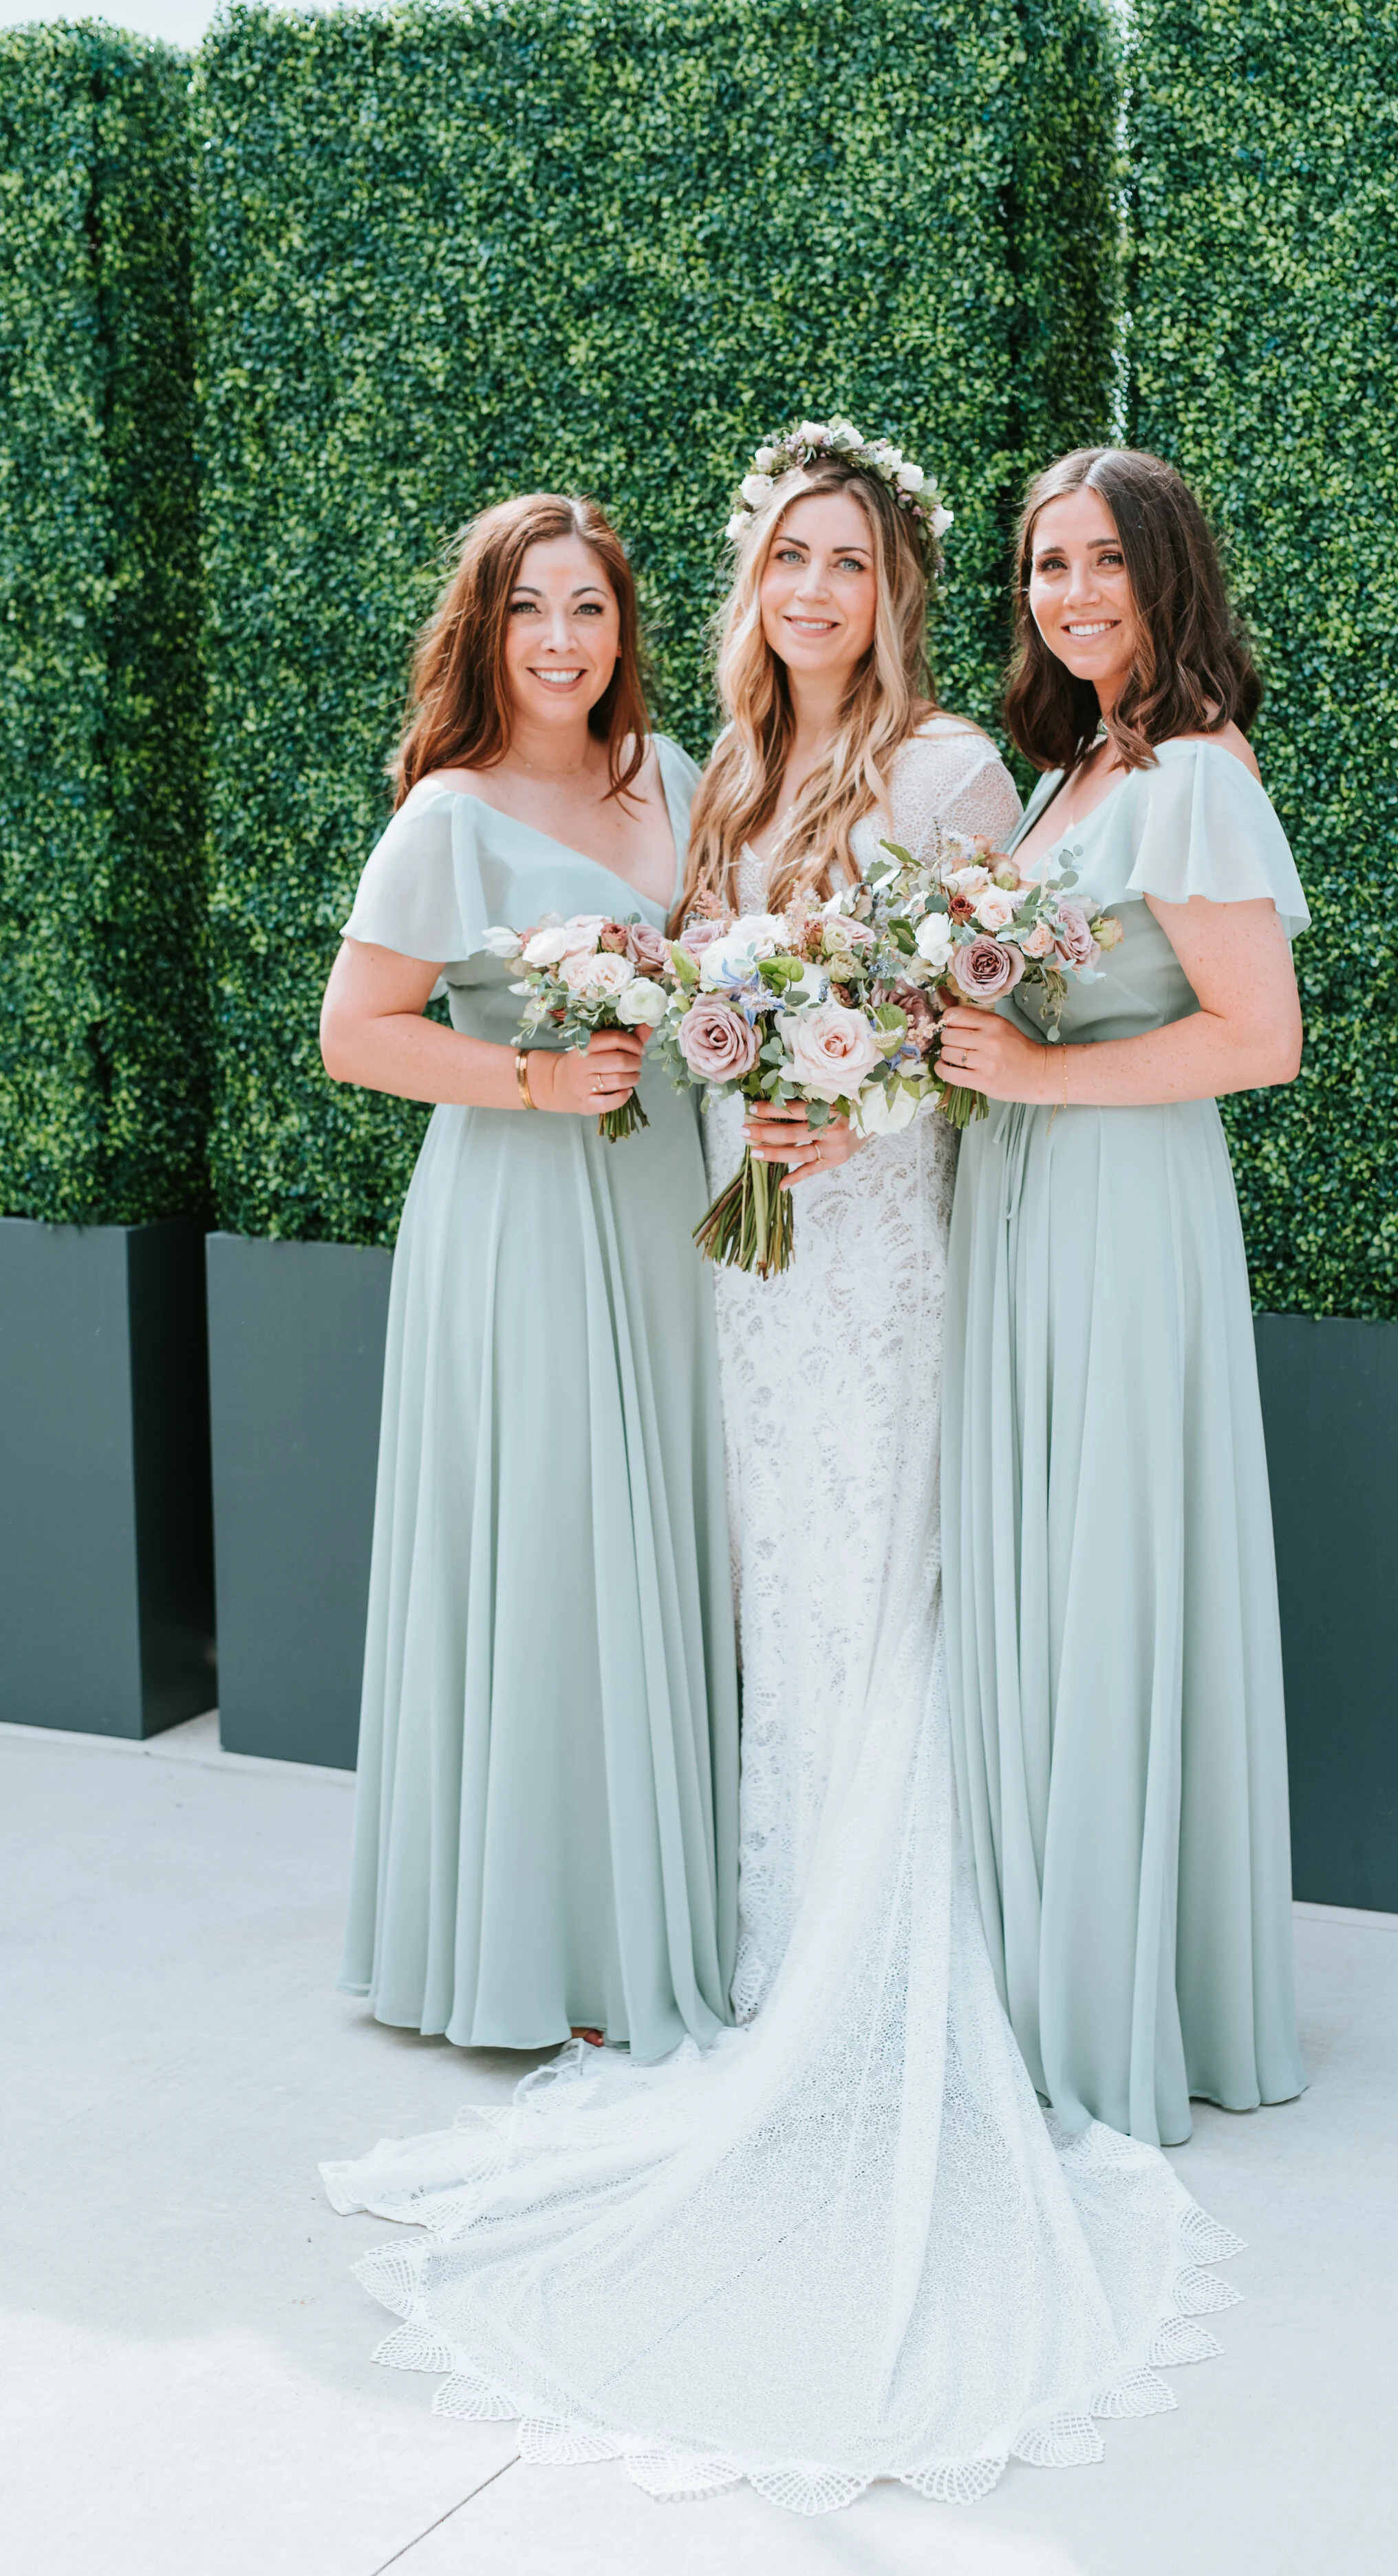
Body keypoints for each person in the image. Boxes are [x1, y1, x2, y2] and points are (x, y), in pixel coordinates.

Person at [323, 427, 1240, 2513]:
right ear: (749, 584)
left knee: (882, 1569)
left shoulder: (951, 772)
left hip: (882, 1246)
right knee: (775, 1579)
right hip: (739, 1261)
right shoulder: (718, 776)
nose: (813, 592)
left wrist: (863, 1106)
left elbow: (981, 1030)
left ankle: (887, 1963)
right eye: (786, 560)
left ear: (893, 589)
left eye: (848, 562)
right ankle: (770, 1942)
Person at [323, 492, 737, 2059]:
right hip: (518, 1208)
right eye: (527, 609)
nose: (560, 639)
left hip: (661, 1202)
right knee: (551, 1537)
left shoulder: (674, 780)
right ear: (484, 631)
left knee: (657, 1529)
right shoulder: (450, 812)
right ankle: (536, 1945)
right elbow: (356, 1033)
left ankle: (657, 1916)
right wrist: (535, 1081)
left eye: (588, 607)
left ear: (624, 629)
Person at [940, 446, 1310, 2149]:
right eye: (1045, 565)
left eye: (1103, 561)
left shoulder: (1195, 775)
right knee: (1040, 1557)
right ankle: (1040, 1954)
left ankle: (1114, 1989)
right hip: (1027, 1194)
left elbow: (1258, 1036)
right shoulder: (1072, 768)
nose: (1071, 593)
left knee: (1109, 1557)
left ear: (1168, 575)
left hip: (1118, 1198)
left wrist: (1033, 1078)